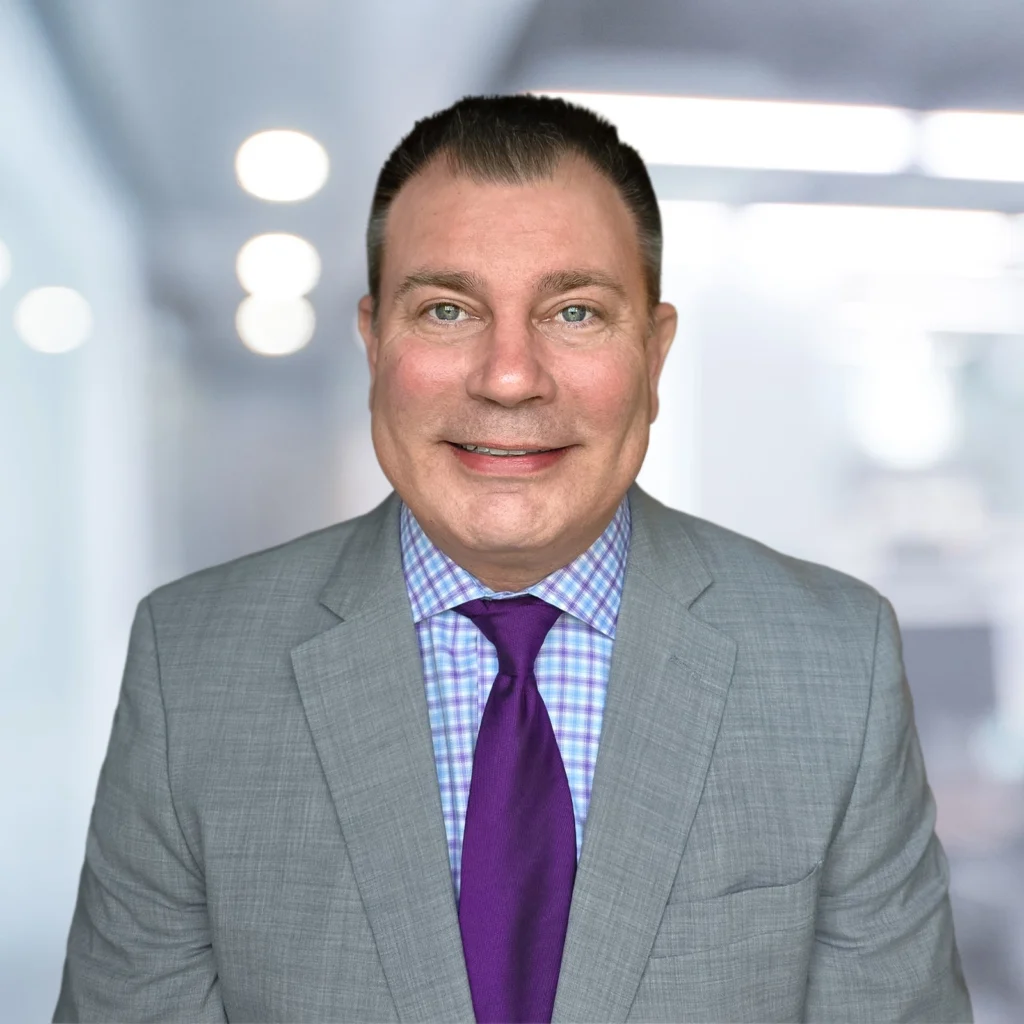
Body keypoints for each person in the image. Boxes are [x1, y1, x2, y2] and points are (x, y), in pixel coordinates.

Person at [54, 94, 973, 1024]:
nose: (507, 376)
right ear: (374, 341)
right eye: (448, 309)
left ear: (654, 357)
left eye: (574, 312)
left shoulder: (832, 663)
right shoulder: (193, 664)